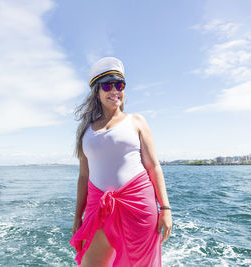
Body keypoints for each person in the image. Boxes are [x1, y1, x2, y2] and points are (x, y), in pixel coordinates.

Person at [70, 57, 172, 267]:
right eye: (107, 85)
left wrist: (165, 209)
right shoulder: (85, 130)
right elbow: (83, 176)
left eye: (119, 85)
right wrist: (77, 218)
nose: (114, 90)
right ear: (97, 92)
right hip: (98, 207)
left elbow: (153, 167)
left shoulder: (136, 121)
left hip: (138, 206)